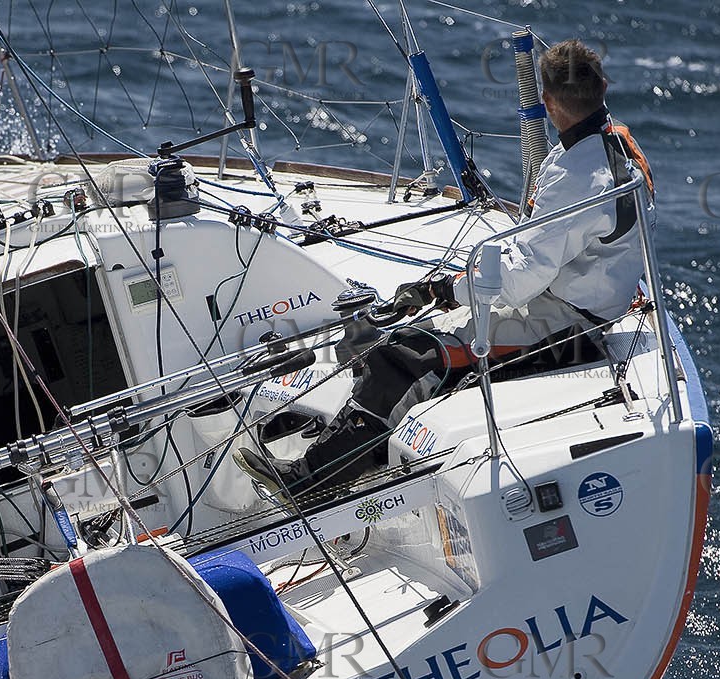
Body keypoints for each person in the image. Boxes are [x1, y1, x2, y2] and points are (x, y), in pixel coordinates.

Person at [238, 39, 654, 497]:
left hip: (567, 325)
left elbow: (517, 282)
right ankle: (360, 442)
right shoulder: (618, 146)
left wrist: (444, 291)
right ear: (602, 90)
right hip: (585, 302)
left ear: (550, 104)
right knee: (400, 336)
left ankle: (311, 481)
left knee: (408, 354)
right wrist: (456, 287)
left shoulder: (577, 176)